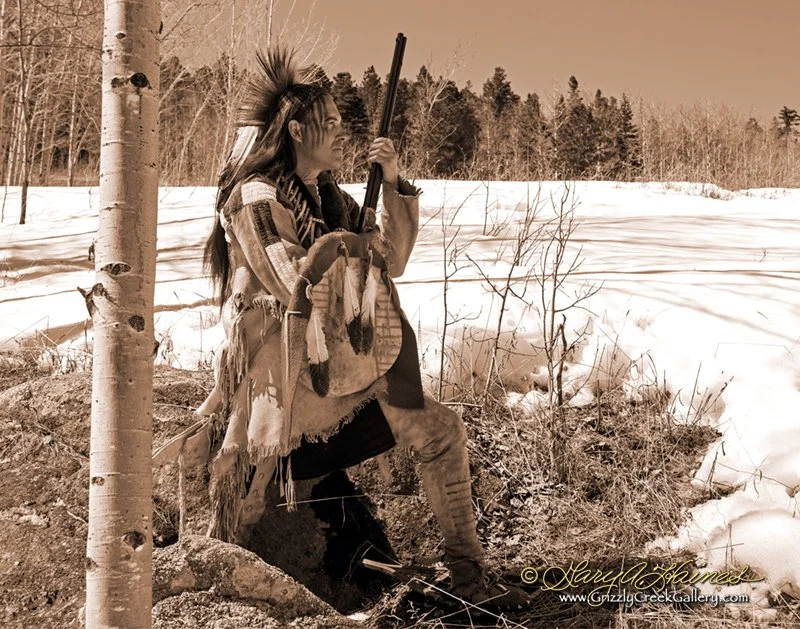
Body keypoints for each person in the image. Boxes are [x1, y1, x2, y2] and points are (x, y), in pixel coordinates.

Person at [185, 47, 528, 609]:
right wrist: (347, 247)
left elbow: (391, 261)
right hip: (279, 387)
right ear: (297, 130)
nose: (342, 131)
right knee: (240, 511)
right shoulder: (256, 197)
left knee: (442, 431)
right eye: (330, 121)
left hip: (342, 371)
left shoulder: (331, 198)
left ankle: (469, 578)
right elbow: (290, 281)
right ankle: (210, 596)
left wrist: (391, 184)